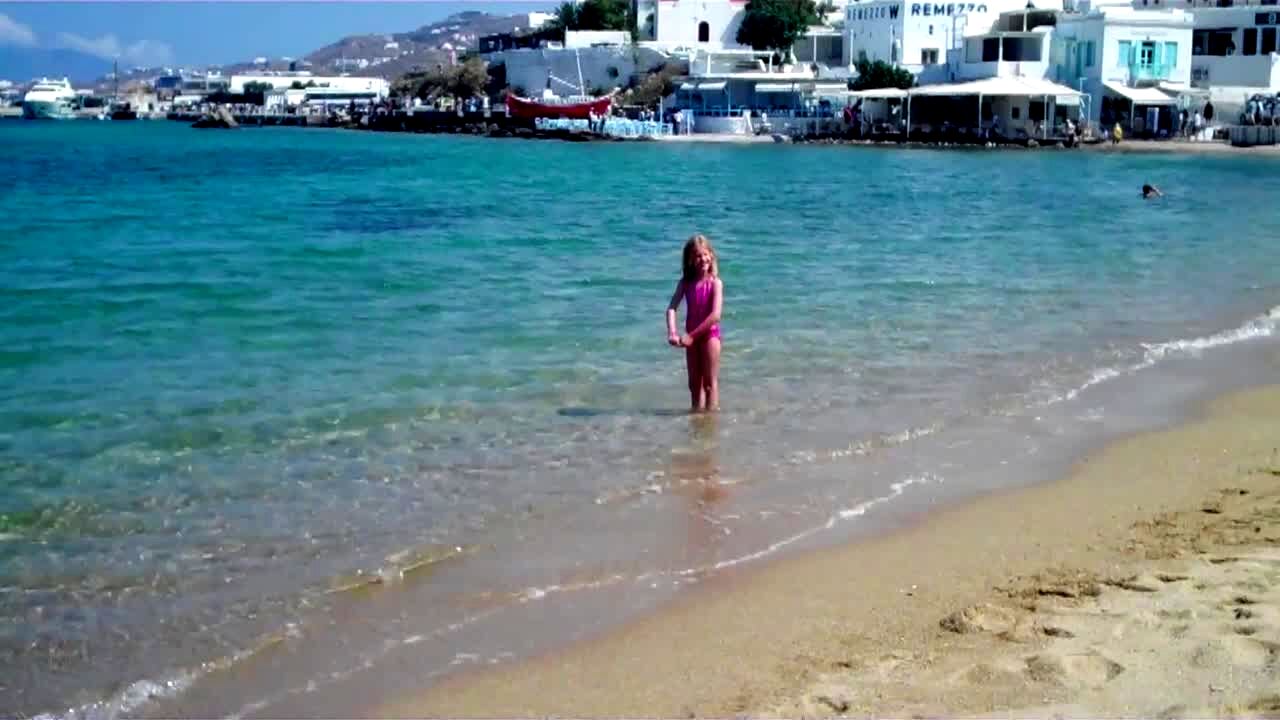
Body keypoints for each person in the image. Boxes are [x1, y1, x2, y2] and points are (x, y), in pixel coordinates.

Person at [666, 234, 723, 413]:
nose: (702, 259)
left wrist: (691, 336)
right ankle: (696, 419)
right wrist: (672, 331)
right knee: (694, 385)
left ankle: (711, 419)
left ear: (711, 255)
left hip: (709, 336)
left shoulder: (715, 283)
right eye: (697, 255)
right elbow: (672, 308)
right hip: (691, 338)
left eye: (705, 254)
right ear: (690, 259)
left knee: (709, 383)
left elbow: (715, 315)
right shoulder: (686, 283)